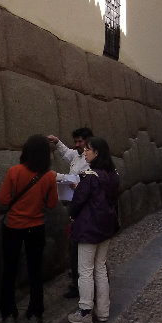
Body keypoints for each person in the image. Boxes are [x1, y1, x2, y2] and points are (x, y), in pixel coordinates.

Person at [0, 134, 58, 323]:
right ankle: (35, 312)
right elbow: (51, 204)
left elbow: (4, 199)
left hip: (13, 227)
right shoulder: (49, 176)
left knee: (9, 270)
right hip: (35, 227)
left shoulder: (14, 172)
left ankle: (8, 314)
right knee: (35, 271)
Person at [67, 136, 120, 323]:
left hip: (89, 228)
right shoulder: (113, 175)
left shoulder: (91, 177)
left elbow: (78, 201)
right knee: (100, 269)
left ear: (97, 153)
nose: (85, 152)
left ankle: (85, 311)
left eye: (88, 149)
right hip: (106, 227)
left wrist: (72, 214)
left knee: (85, 270)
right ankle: (103, 310)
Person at [47, 127, 93, 299]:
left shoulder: (90, 161)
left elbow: (78, 180)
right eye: (76, 142)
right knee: (75, 246)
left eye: (80, 141)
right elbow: (68, 153)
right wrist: (57, 142)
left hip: (85, 210)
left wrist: (56, 176)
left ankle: (82, 287)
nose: (78, 145)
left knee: (80, 248)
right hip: (76, 207)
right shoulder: (78, 155)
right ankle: (78, 280)